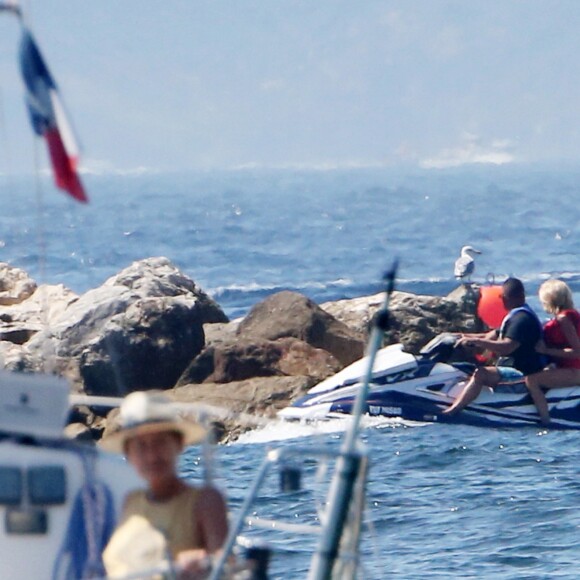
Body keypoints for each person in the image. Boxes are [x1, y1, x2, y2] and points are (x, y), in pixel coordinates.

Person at [101, 391, 228, 579]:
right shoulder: (130, 501)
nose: (152, 456)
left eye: (160, 442)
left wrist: (204, 561)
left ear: (178, 444)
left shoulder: (204, 502)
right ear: (128, 454)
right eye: (141, 446)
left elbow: (226, 566)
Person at [443, 277, 544, 415]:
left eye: (504, 297)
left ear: (514, 297)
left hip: (521, 374)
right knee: (465, 369)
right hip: (508, 369)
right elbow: (490, 335)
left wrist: (479, 343)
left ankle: (453, 411)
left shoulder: (522, 319)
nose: (502, 300)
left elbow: (507, 347)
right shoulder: (514, 317)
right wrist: (460, 336)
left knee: (481, 374)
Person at [525, 279, 580, 425]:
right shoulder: (572, 315)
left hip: (575, 371)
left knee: (532, 380)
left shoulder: (564, 319)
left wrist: (546, 350)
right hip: (569, 368)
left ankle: (545, 420)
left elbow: (577, 352)